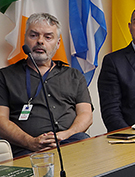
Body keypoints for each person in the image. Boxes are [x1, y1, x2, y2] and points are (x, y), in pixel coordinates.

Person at [0, 13, 93, 156]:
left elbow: (86, 114)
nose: (40, 41)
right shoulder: (5, 76)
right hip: (25, 149)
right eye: (33, 35)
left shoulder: (74, 76)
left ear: (58, 43)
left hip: (69, 143)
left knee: (84, 141)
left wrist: (65, 135)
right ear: (25, 38)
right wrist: (30, 142)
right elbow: (1, 119)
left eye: (48, 37)